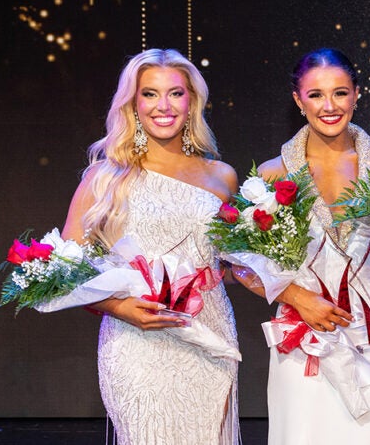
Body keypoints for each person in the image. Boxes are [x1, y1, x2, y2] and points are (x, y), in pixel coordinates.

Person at [238, 47, 370, 445]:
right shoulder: (272, 174)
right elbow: (241, 264)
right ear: (298, 101)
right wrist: (298, 297)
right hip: (304, 339)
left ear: (356, 94)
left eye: (340, 92)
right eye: (316, 94)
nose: (329, 105)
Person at [61, 49, 241, 444]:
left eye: (175, 93)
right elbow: (66, 269)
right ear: (132, 103)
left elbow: (233, 263)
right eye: (150, 94)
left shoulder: (222, 176)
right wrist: (118, 307)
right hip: (135, 342)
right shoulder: (105, 177)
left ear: (192, 101)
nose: (164, 106)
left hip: (210, 337)